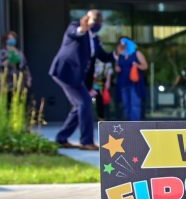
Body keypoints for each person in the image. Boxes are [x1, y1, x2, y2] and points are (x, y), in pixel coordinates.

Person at [49, 10, 115, 149]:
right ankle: (87, 142)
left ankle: (61, 139)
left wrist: (117, 53)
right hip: (64, 72)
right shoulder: (74, 27)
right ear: (86, 18)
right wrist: (83, 28)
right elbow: (76, 32)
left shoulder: (95, 39)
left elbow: (103, 56)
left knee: (80, 106)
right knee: (85, 103)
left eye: (100, 21)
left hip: (76, 77)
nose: (98, 23)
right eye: (95, 20)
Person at [114, 37, 148, 121]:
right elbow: (116, 68)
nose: (122, 46)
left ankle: (135, 125)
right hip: (123, 83)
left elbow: (145, 66)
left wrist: (137, 65)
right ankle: (128, 125)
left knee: (135, 104)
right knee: (126, 105)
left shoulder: (137, 53)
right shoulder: (120, 55)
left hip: (135, 83)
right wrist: (117, 67)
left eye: (124, 44)